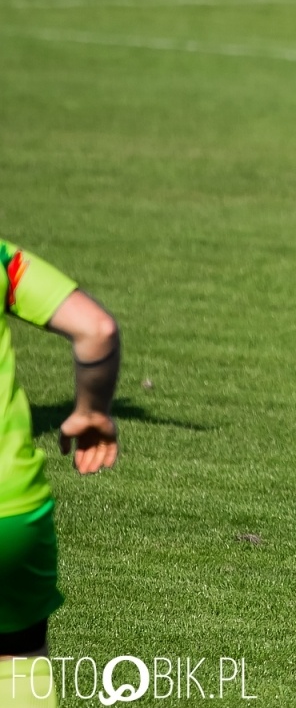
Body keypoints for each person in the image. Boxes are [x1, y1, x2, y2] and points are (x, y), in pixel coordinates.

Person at [1, 240, 121, 708]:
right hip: (12, 508)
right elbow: (97, 329)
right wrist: (92, 411)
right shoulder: (2, 258)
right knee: (18, 662)